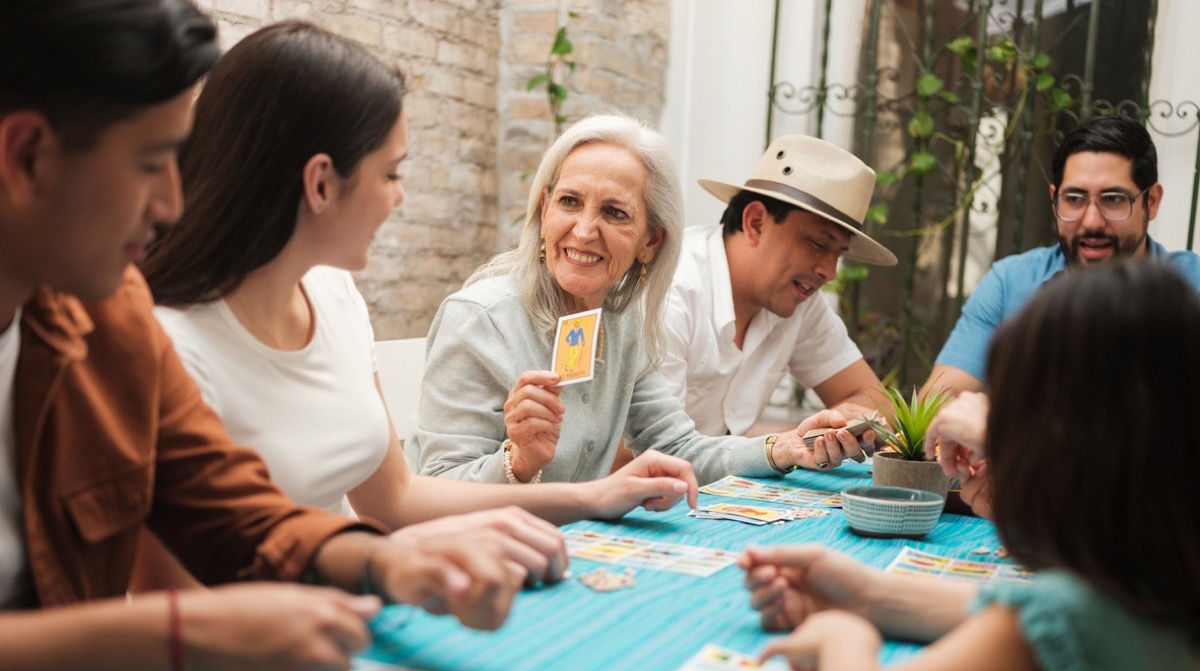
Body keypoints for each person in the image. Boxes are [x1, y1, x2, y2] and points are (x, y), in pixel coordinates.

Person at [0, 0, 561, 671]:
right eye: (150, 164)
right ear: (27, 158)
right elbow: (180, 599)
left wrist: (382, 559)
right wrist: (179, 641)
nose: (171, 202)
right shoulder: (158, 320)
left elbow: (234, 509)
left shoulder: (112, 319)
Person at [139, 21, 697, 567]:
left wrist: (592, 496)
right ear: (320, 184)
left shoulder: (335, 296)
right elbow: (176, 591)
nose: (401, 197)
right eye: (391, 173)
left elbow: (396, 500)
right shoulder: (167, 341)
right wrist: (382, 570)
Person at [751, 261, 1200, 671]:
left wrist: (841, 633)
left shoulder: (1053, 624)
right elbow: (1012, 609)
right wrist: (868, 591)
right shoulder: (1159, 581)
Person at [406, 113, 865, 485]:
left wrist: (783, 447)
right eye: (568, 202)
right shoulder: (479, 317)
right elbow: (436, 487)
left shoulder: (620, 323)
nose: (584, 230)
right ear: (544, 211)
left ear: (650, 241)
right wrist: (519, 463)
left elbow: (678, 447)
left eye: (614, 212)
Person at [928, 114, 1200, 396]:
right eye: (1074, 199)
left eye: (1114, 199)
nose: (1092, 221)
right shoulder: (1010, 284)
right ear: (1054, 199)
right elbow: (939, 404)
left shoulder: (1193, 289)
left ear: (1151, 202)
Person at [662, 135, 896, 444]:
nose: (829, 272)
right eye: (818, 244)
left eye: (838, 253)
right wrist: (784, 448)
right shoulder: (672, 290)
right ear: (756, 222)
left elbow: (877, 404)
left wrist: (809, 438)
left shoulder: (799, 301)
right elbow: (644, 454)